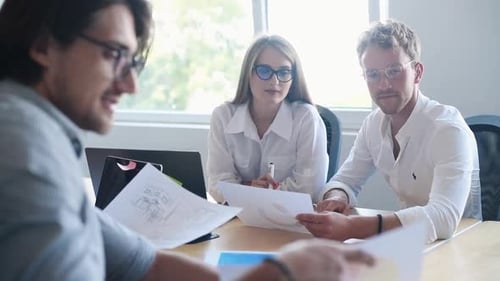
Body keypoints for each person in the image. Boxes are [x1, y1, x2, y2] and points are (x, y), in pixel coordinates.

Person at [0, 0, 373, 280]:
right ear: (45, 47)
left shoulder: (34, 137)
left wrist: (276, 271)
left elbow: (144, 261)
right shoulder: (24, 150)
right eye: (114, 54)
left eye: (133, 63)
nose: (131, 84)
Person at [297, 19, 482, 243]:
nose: (383, 85)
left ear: (418, 72)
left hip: (461, 247)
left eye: (394, 71)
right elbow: (344, 180)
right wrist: (336, 196)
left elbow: (444, 218)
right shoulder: (373, 125)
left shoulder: (447, 129)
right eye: (373, 74)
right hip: (410, 244)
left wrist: (352, 226)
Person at [207, 34, 328, 203]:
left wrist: (251, 193)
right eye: (264, 71)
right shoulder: (223, 116)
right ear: (248, 73)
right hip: (240, 220)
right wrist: (251, 191)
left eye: (284, 72)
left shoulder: (306, 119)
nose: (274, 80)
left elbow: (309, 189)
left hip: (290, 220)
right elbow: (217, 184)